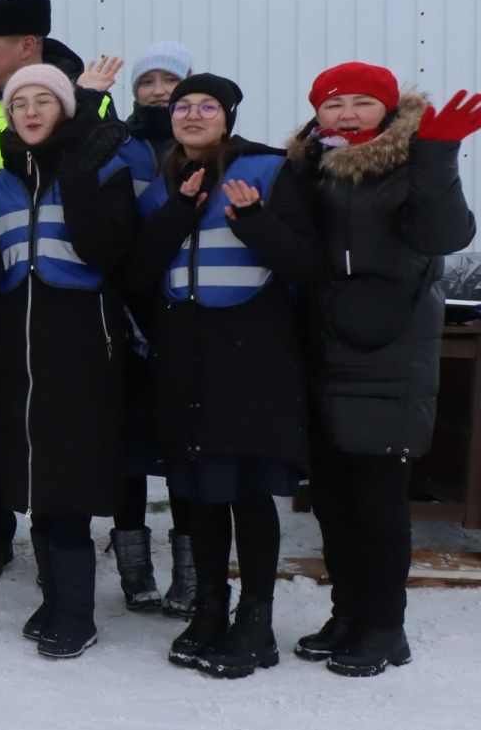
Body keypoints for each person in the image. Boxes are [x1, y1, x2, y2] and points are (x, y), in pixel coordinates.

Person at [287, 64, 479, 676]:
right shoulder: (309, 169)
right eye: (333, 103)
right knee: (334, 499)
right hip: (322, 350)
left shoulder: (410, 162)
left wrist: (438, 156)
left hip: (387, 354)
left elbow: (446, 231)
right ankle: (346, 614)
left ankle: (385, 626)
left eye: (361, 102)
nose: (345, 113)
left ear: (389, 109)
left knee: (378, 501)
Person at [127, 74, 319, 678]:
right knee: (197, 492)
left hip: (251, 355)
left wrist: (254, 220)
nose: (191, 115)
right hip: (183, 354)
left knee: (248, 491)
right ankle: (209, 610)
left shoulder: (267, 170)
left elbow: (307, 263)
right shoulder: (162, 182)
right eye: (182, 106)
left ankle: (255, 623)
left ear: (228, 116)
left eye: (207, 106)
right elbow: (136, 275)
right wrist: (180, 210)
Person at [0, 0, 122, 582]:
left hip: (60, 288)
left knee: (60, 416)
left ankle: (64, 539)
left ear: (28, 45)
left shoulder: (88, 100)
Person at [0, 64, 136, 658]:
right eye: (20, 105)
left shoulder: (103, 170)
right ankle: (53, 598)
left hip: (82, 342)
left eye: (45, 101)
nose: (31, 112)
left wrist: (81, 161)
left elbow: (104, 248)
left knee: (70, 482)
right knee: (35, 480)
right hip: (17, 347)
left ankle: (77, 613)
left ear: (66, 110)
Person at [112, 40, 197, 615]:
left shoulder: (208, 149)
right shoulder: (119, 146)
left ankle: (191, 573)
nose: (159, 91)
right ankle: (134, 570)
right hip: (127, 306)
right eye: (148, 82)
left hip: (190, 311)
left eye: (171, 80)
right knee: (128, 444)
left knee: (187, 446)